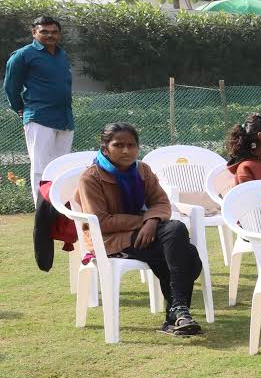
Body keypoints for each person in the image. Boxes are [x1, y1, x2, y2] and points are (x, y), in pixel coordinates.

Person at [76, 123, 203, 336]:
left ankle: (178, 312)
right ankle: (178, 313)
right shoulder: (91, 177)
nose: (126, 150)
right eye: (119, 145)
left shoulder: (142, 169)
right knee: (187, 254)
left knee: (177, 232)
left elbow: (162, 203)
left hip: (145, 233)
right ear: (105, 148)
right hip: (109, 240)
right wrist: (143, 220)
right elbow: (101, 221)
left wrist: (151, 222)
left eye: (131, 145)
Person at [7, 16, 73, 207]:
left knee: (62, 167)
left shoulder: (62, 55)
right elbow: (11, 87)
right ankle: (42, 213)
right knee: (40, 168)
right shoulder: (23, 55)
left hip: (65, 119)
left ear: (59, 34)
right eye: (44, 31)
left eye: (54, 32)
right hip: (39, 117)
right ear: (34, 32)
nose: (50, 35)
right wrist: (20, 108)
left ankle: (61, 211)